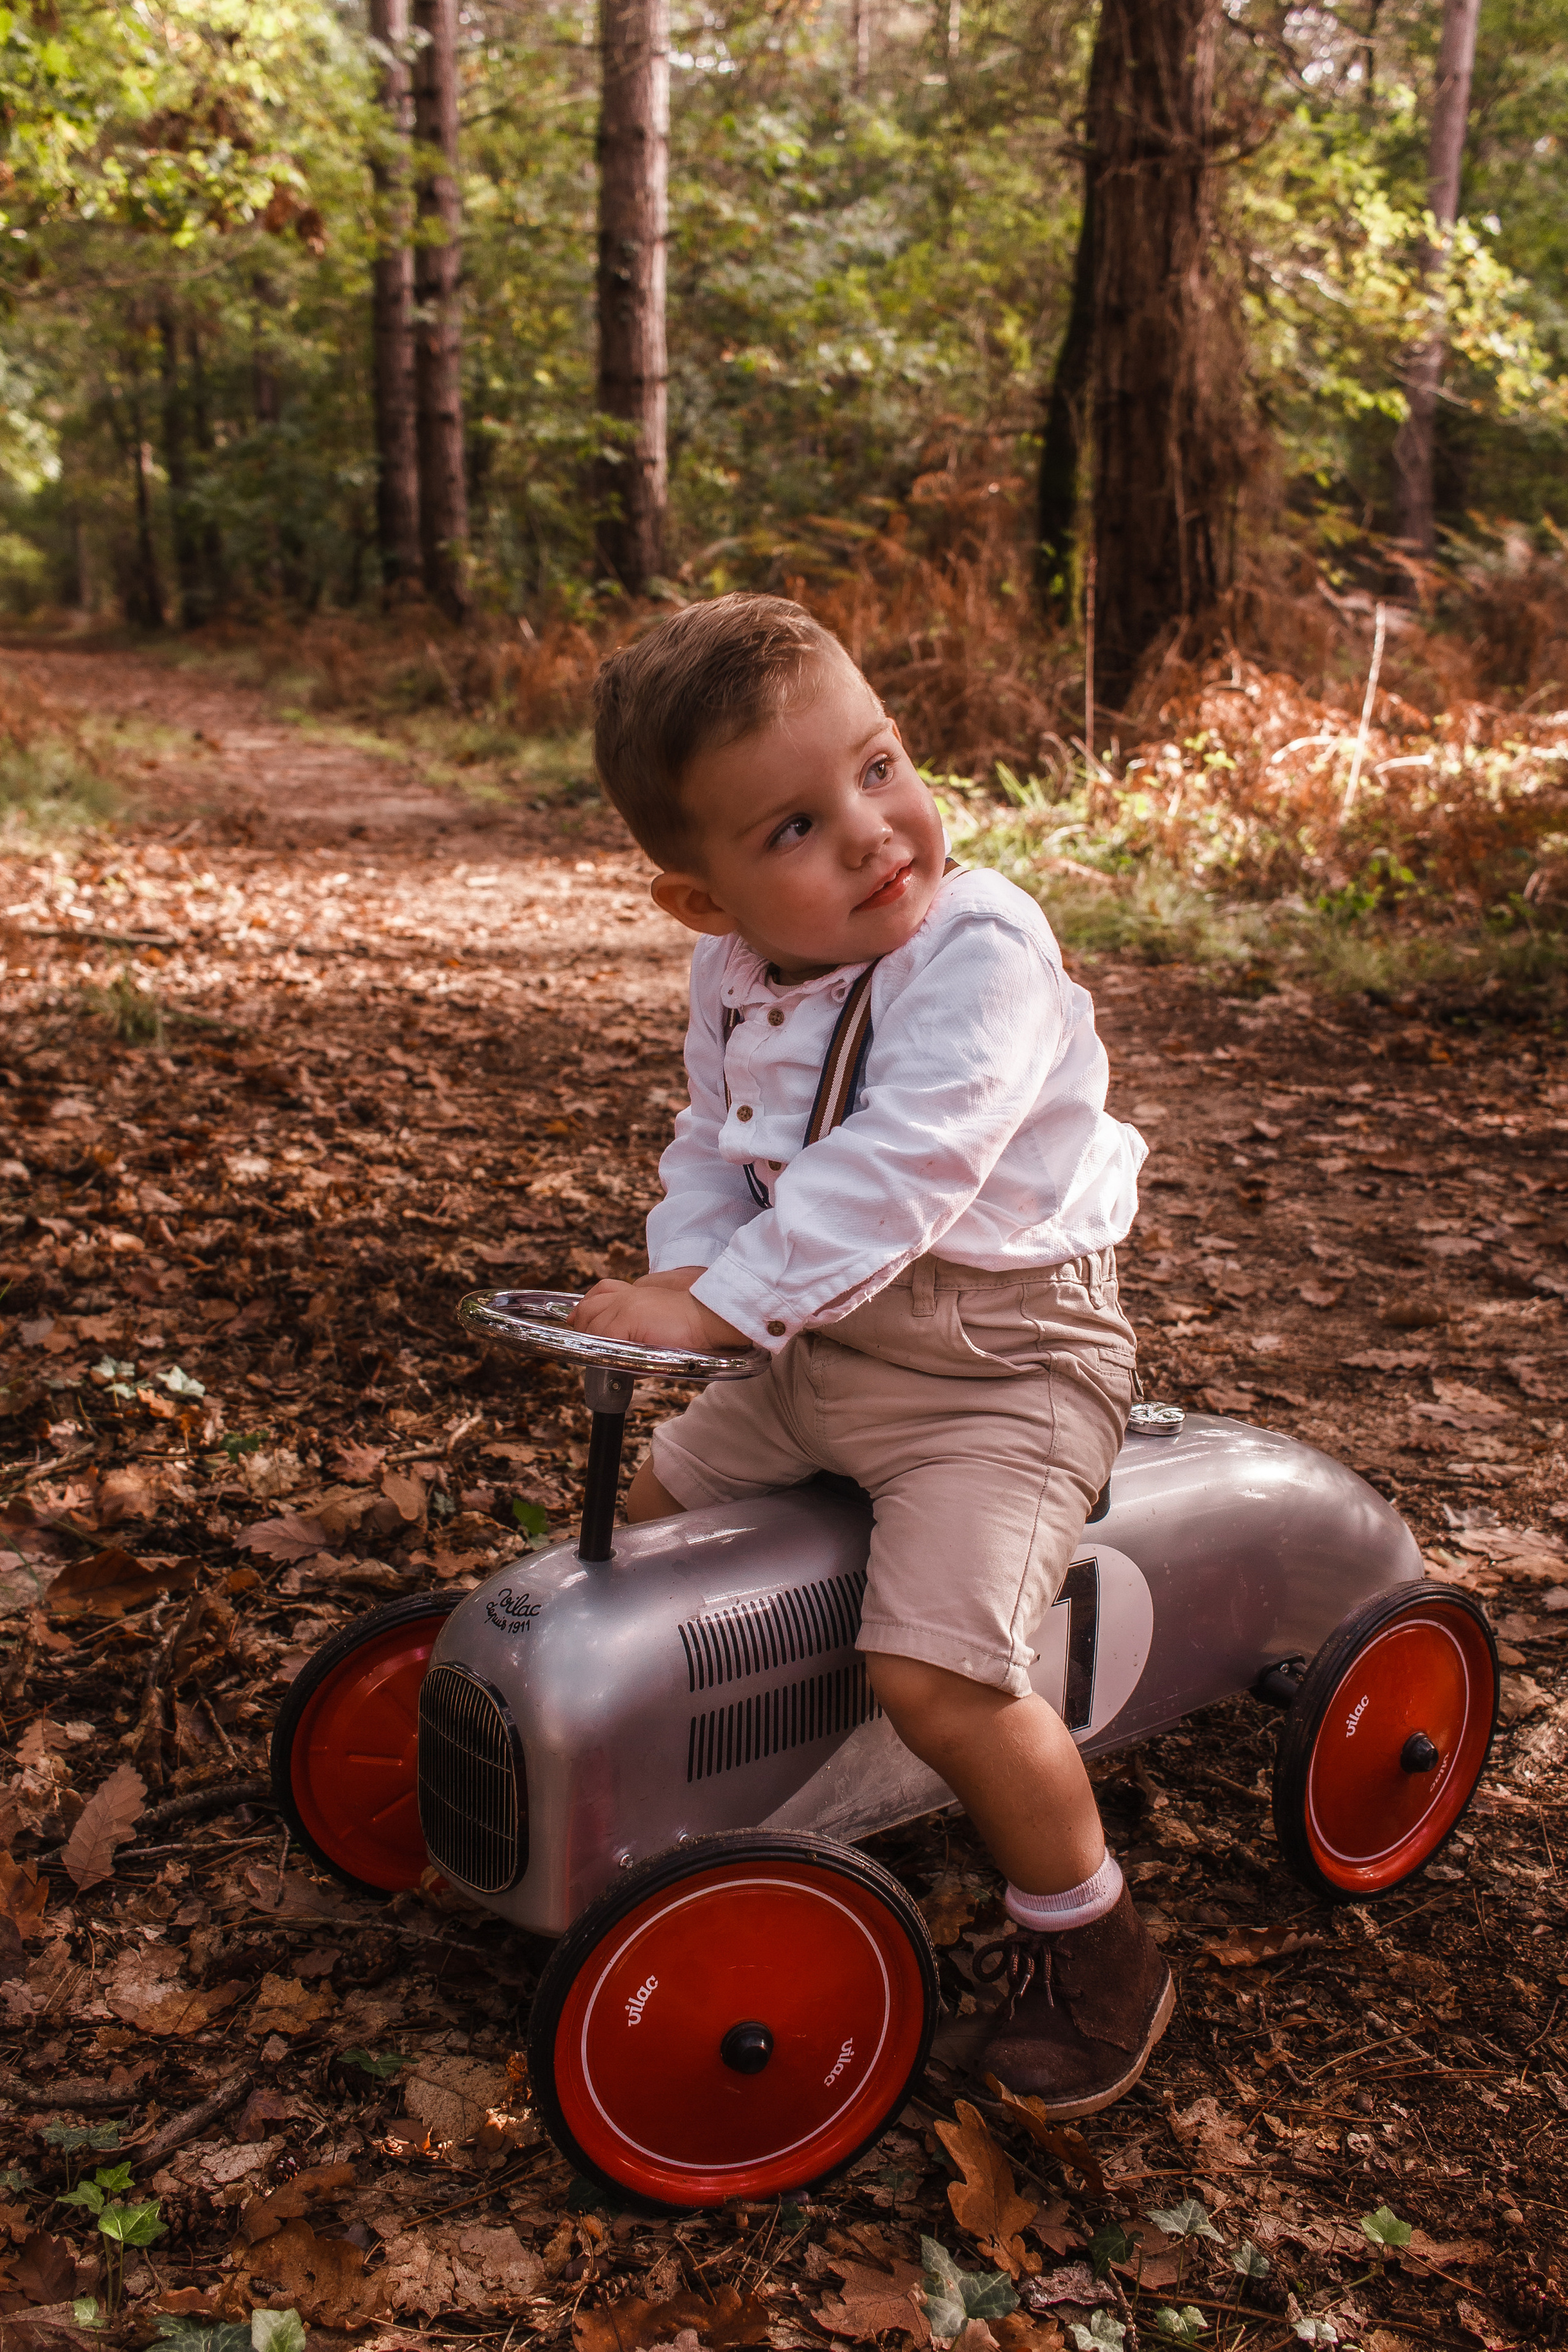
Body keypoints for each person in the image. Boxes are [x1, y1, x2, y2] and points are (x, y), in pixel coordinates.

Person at [568, 591, 1172, 2118]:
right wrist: (686, 1272)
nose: (870, 832)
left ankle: (1089, 1939)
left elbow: (909, 1162)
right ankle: (659, 1786)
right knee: (654, 1520)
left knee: (937, 1673)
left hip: (1000, 1365)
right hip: (815, 1337)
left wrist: (722, 1305)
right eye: (792, 827)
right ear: (699, 900)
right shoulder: (733, 977)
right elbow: (712, 1142)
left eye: (879, 765)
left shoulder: (979, 948)